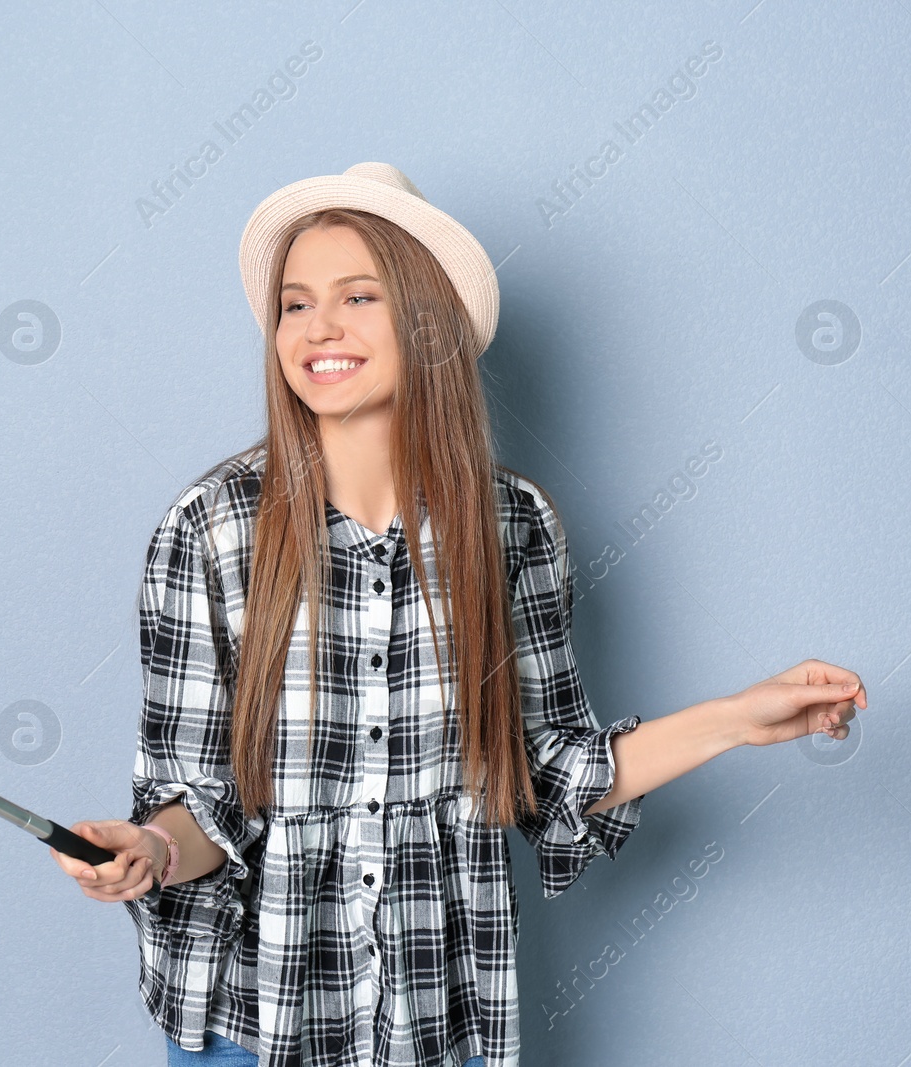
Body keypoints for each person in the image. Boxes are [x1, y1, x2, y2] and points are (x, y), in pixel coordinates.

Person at [49, 163, 866, 1067]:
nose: (319, 327)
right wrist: (152, 850)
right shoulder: (210, 529)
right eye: (295, 303)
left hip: (443, 1014)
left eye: (358, 296)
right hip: (257, 1018)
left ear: (427, 321)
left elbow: (549, 775)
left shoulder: (514, 527)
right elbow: (201, 803)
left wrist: (735, 721)